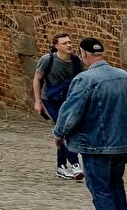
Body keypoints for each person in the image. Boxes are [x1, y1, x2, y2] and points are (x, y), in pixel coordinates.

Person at [54, 37, 127, 210]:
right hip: (121, 143)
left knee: (101, 190)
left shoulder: (84, 79)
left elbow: (71, 112)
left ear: (84, 53)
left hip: (96, 145)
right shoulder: (124, 76)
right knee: (116, 185)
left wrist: (59, 133)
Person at [34, 33, 87, 180]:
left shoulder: (77, 61)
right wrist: (38, 102)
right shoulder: (47, 60)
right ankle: (75, 163)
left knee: (68, 130)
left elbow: (83, 81)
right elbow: (37, 79)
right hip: (51, 100)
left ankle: (61, 166)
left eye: (70, 42)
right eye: (65, 43)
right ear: (56, 46)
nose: (69, 45)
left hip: (69, 101)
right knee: (63, 129)